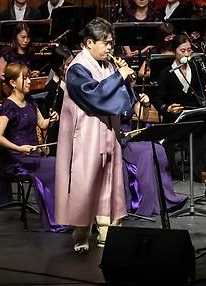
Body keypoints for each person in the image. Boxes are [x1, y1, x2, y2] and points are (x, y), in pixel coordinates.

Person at [55, 18, 136, 253]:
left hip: (109, 132)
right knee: (86, 183)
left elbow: (118, 96)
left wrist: (126, 79)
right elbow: (95, 96)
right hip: (87, 135)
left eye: (111, 43)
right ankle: (81, 234)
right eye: (106, 43)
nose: (110, 48)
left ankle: (107, 230)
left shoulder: (108, 65)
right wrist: (119, 76)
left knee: (109, 181)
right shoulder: (77, 68)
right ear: (89, 43)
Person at [0, 62, 62, 231]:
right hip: (17, 158)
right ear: (13, 83)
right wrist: (19, 148)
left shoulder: (30, 101)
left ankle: (61, 214)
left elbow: (43, 124)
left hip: (31, 154)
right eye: (25, 78)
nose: (30, 81)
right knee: (53, 165)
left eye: (29, 77)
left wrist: (52, 119)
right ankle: (56, 219)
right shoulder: (8, 106)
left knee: (59, 164)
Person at [153, 34, 206, 180]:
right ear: (174, 52)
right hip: (175, 115)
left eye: (189, 50)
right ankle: (173, 171)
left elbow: (203, 89)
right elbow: (158, 98)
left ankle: (201, 170)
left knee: (202, 127)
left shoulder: (196, 68)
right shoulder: (166, 73)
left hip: (194, 111)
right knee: (171, 131)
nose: (186, 54)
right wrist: (167, 108)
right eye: (182, 51)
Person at [121, 91, 187, 217]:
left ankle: (164, 200)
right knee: (146, 152)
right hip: (114, 137)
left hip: (128, 136)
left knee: (157, 148)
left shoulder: (127, 90)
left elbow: (143, 117)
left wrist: (145, 105)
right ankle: (146, 202)